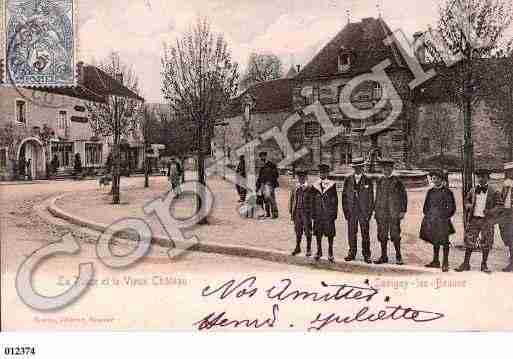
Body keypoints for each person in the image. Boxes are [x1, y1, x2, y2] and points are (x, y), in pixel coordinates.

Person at [455, 169, 501, 273]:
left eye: (483, 177)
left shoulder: (494, 191)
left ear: (487, 178)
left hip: (487, 220)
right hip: (474, 219)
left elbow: (499, 205)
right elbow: (466, 200)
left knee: (486, 241)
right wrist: (468, 205)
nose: (481, 179)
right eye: (479, 177)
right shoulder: (473, 190)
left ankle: (484, 265)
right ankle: (466, 263)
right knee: (469, 241)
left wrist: (490, 211)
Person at [420, 170, 456, 272]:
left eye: (437, 179)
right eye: (433, 179)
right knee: (435, 241)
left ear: (442, 180)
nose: (435, 181)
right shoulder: (430, 192)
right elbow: (425, 207)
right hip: (432, 220)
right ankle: (435, 261)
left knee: (445, 241)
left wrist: (445, 216)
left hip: (443, 221)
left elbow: (452, 207)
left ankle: (445, 262)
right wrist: (429, 216)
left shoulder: (447, 192)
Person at [374, 158, 408, 265]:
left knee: (395, 235)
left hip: (394, 213)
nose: (386, 170)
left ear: (392, 169)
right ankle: (384, 256)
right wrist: (376, 211)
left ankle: (398, 256)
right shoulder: (380, 181)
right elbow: (377, 197)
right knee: (382, 235)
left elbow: (404, 197)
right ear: (382, 170)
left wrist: (402, 211)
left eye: (388, 168)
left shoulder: (397, 181)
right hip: (382, 213)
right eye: (384, 169)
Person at [342, 158, 374, 263]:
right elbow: (344, 197)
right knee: (352, 233)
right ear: (353, 168)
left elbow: (370, 197)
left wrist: (368, 213)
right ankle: (352, 253)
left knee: (365, 233)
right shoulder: (348, 180)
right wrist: (346, 212)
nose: (358, 169)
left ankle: (366, 254)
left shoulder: (367, 180)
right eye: (356, 167)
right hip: (352, 211)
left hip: (363, 212)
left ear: (363, 168)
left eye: (360, 167)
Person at [310, 164, 338, 263]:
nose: (322, 174)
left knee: (330, 234)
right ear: (319, 173)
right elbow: (312, 201)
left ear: (327, 173)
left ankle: (330, 252)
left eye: (324, 172)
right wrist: (313, 213)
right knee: (318, 233)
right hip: (318, 214)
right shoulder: (315, 185)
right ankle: (319, 250)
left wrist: (334, 214)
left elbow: (335, 201)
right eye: (320, 172)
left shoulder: (332, 185)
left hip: (328, 214)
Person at [289, 168, 313, 257]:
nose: (301, 179)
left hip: (306, 213)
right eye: (299, 177)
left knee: (307, 231)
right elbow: (292, 200)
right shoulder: (295, 188)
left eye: (303, 177)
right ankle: (298, 247)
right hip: (297, 212)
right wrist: (291, 211)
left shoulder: (310, 188)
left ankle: (308, 248)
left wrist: (311, 213)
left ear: (306, 177)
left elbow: (312, 201)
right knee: (298, 231)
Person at [498, 162, 513, 272]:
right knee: (506, 235)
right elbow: (502, 199)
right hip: (505, 213)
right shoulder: (506, 184)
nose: (510, 173)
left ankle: (512, 263)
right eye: (508, 172)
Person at [256, 152, 279, 219]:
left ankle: (275, 214)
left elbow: (276, 175)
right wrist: (258, 185)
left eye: (263, 156)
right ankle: (267, 213)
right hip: (262, 184)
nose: (262, 158)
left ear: (266, 156)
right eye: (261, 157)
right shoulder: (262, 166)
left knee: (271, 198)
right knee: (264, 199)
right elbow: (260, 177)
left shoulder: (271, 165)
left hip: (269, 184)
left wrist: (270, 182)